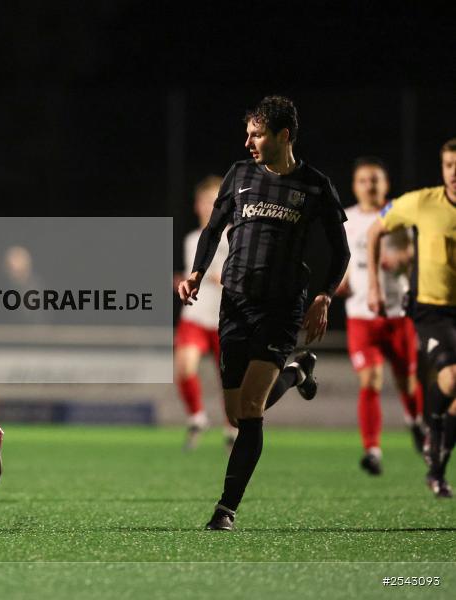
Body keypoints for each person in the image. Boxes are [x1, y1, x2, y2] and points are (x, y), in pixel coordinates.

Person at [178, 96, 350, 530]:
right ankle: (296, 373)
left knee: (251, 408)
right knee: (236, 414)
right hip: (234, 303)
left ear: (283, 136)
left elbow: (341, 251)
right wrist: (197, 272)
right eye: (249, 133)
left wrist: (325, 296)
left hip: (282, 306)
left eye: (257, 134)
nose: (249, 141)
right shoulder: (239, 175)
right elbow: (214, 228)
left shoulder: (314, 186)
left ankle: (226, 509)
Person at [367, 138, 456, 498]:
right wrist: (373, 285)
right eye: (449, 165)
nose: (454, 172)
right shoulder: (422, 202)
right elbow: (376, 229)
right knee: (451, 375)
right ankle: (430, 428)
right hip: (430, 308)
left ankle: (436, 469)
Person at [339, 157, 424, 476]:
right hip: (361, 315)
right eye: (363, 180)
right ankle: (372, 449)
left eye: (375, 180)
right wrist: (343, 283)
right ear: (354, 186)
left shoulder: (399, 214)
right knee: (370, 381)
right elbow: (346, 261)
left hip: (398, 313)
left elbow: (417, 255)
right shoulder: (347, 218)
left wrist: (402, 258)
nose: (370, 185)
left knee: (407, 382)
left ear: (385, 185)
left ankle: (415, 422)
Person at [174, 175, 235, 451]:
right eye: (205, 201)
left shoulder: (233, 235)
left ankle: (232, 427)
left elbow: (247, 277)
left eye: (215, 201)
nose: (210, 206)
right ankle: (197, 417)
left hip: (225, 318)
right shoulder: (191, 239)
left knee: (230, 381)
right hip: (195, 317)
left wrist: (224, 278)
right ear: (197, 205)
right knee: (183, 367)